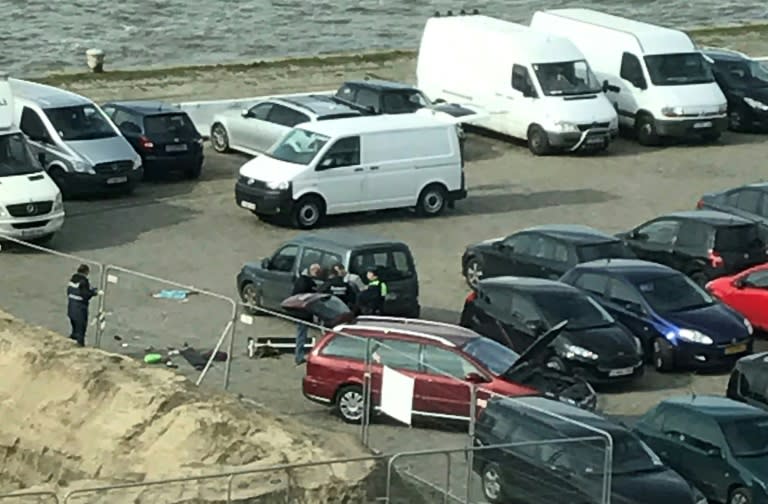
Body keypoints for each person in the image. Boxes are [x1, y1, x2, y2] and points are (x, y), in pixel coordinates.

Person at [292, 263, 321, 365]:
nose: (317, 274)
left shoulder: (301, 280)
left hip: (300, 312)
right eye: (317, 272)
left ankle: (299, 355)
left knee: (301, 334)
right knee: (301, 335)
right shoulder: (308, 282)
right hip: (303, 313)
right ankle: (299, 356)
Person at [67, 264, 99, 347]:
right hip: (80, 309)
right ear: (86, 272)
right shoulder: (84, 281)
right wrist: (94, 293)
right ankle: (80, 346)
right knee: (81, 330)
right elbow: (85, 294)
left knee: (74, 329)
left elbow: (74, 291)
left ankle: (70, 343)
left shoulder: (72, 279)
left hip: (71, 308)